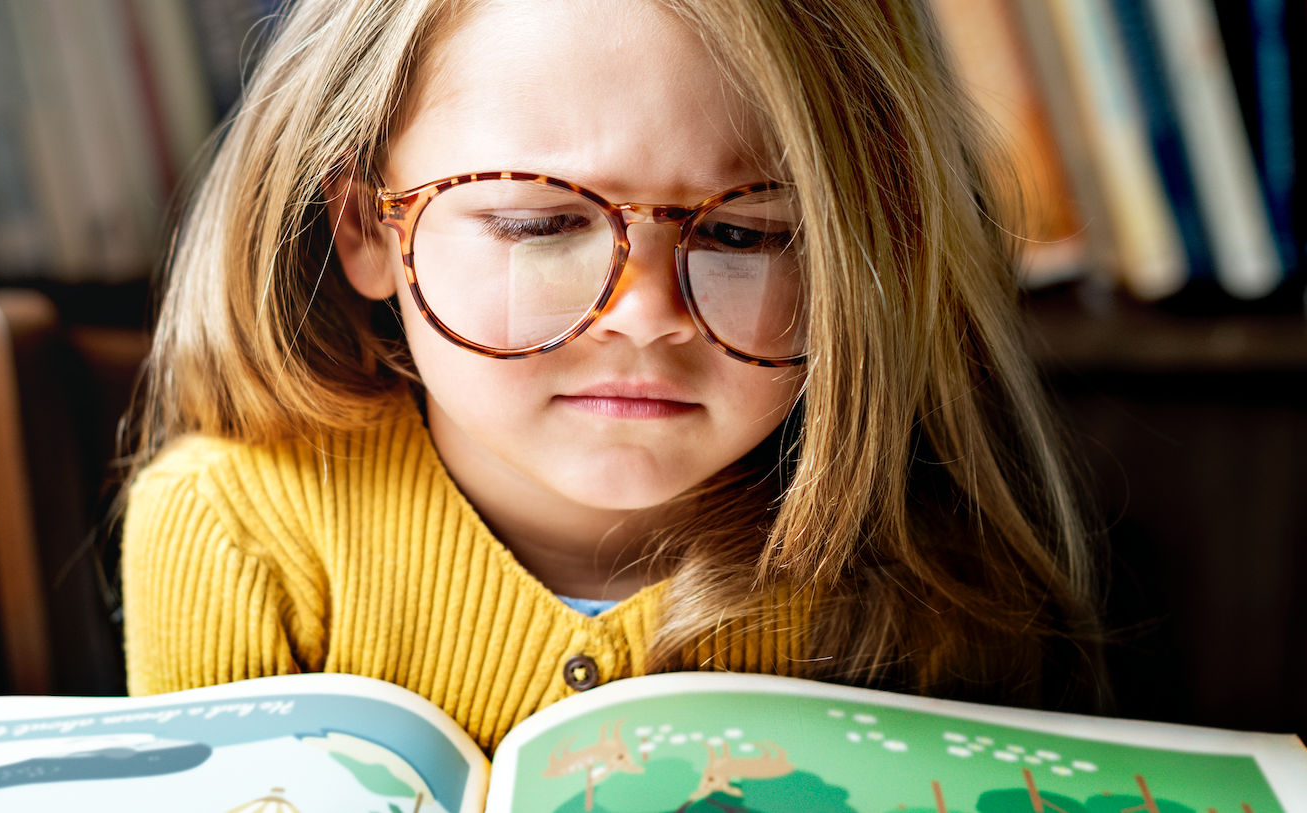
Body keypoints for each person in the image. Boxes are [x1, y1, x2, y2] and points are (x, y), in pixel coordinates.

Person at [121, 0, 1107, 752]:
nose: (644, 316)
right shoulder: (233, 534)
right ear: (364, 230)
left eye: (741, 234)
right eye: (538, 225)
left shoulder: (920, 578)